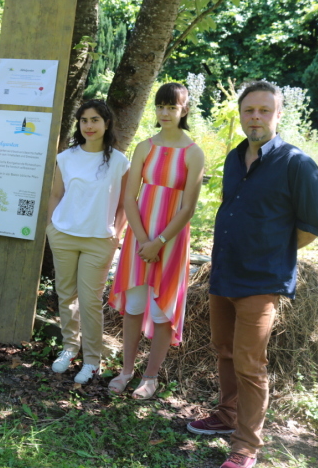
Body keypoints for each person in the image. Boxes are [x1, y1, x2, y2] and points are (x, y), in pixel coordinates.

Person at [186, 81, 318, 468]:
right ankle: (226, 415)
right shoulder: (234, 158)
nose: (256, 117)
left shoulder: (297, 163)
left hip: (261, 280)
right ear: (241, 114)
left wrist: (271, 250)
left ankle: (245, 447)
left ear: (278, 115)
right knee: (224, 349)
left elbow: (313, 225)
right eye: (250, 110)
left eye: (265, 111)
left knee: (250, 362)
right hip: (224, 271)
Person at [108, 82, 205, 399]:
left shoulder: (194, 154)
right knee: (134, 306)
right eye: (160, 106)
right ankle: (125, 371)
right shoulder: (144, 147)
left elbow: (188, 207)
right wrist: (142, 239)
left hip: (171, 241)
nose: (165, 113)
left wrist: (159, 241)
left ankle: (150, 377)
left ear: (184, 110)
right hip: (139, 239)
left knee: (162, 310)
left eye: (172, 107)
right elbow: (130, 197)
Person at [47, 99, 130, 384]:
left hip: (99, 239)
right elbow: (56, 194)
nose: (89, 125)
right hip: (64, 234)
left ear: (107, 124)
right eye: (84, 120)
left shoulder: (119, 161)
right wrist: (50, 226)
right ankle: (69, 347)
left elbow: (124, 204)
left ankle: (92, 360)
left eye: (95, 119)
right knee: (66, 294)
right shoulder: (66, 157)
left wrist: (116, 233)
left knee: (90, 301)